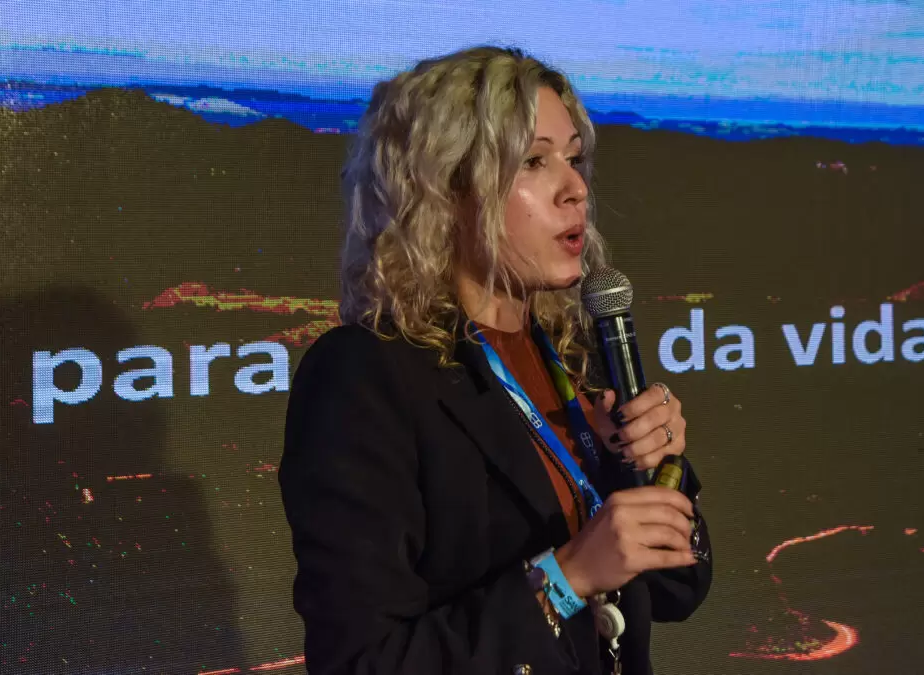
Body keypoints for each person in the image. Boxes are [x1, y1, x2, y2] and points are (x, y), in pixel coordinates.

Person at [279, 45, 712, 675]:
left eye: (574, 159)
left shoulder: (574, 354)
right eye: (534, 161)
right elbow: (361, 661)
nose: (575, 189)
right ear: (445, 192)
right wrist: (566, 578)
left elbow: (676, 589)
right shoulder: (366, 376)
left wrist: (658, 466)